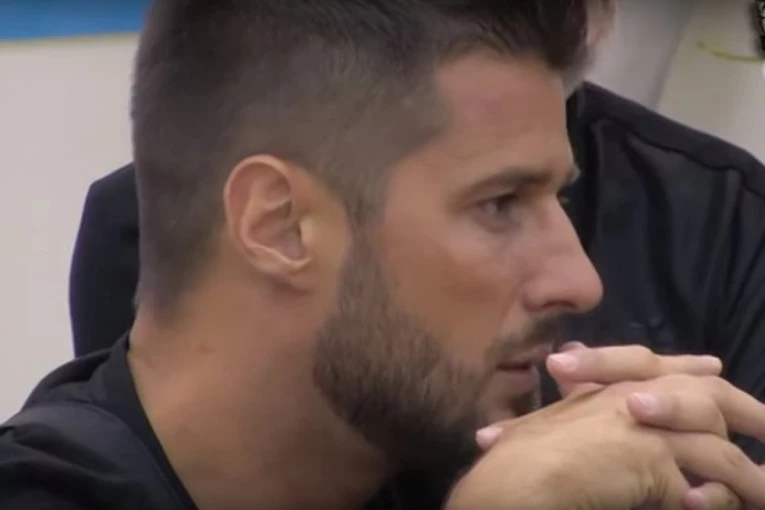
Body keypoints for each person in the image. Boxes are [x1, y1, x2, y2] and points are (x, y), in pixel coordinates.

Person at [6, 1, 765, 509]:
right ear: (280, 225)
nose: (581, 281)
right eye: (500, 203)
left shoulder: (426, 459)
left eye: (558, 200)